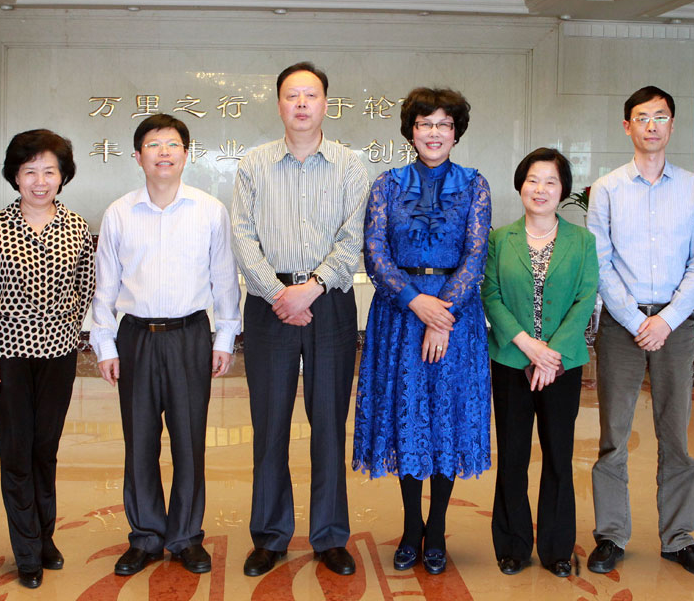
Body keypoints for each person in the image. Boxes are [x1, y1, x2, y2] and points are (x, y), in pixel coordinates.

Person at [231, 61, 369, 577]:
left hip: (329, 301)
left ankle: (330, 535)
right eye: (292, 96)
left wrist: (310, 289)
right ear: (279, 105)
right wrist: (277, 293)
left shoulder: (350, 166)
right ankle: (270, 535)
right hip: (269, 307)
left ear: (326, 104)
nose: (302, 104)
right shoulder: (253, 164)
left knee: (329, 421)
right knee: (269, 423)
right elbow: (243, 237)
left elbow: (353, 238)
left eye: (311, 95)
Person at [90, 113, 241, 577]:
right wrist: (105, 345)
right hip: (135, 337)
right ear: (138, 156)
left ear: (186, 154)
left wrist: (224, 337)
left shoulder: (209, 210)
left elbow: (224, 279)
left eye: (172, 144)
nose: (163, 153)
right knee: (139, 442)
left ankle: (186, 537)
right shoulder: (119, 213)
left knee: (189, 440)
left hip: (189, 336)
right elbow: (105, 285)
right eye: (153, 145)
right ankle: (146, 536)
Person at [352, 87, 491, 575]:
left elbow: (476, 255)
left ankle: (437, 529)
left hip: (456, 320)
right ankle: (412, 527)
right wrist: (416, 302)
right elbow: (375, 254)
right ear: (411, 131)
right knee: (407, 418)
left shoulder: (475, 185)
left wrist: (442, 314)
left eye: (444, 124)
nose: (435, 133)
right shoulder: (387, 185)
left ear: (456, 132)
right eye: (425, 124)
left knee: (445, 419)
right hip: (400, 316)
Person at [586, 86, 694, 578]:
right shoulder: (607, 189)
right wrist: (637, 320)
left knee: (675, 434)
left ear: (672, 125)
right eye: (642, 117)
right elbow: (600, 263)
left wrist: (666, 320)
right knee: (613, 435)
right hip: (622, 326)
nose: (652, 126)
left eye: (661, 117)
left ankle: (679, 538)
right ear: (627, 126)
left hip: (675, 326)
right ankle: (611, 535)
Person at [0, 129, 95, 589]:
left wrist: (64, 322)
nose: (40, 181)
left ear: (62, 176)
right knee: (17, 452)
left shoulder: (76, 226)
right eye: (30, 171)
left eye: (49, 171)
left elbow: (86, 286)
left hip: (58, 353)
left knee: (46, 449)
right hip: (7, 356)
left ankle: (44, 537)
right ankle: (26, 552)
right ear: (15, 176)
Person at [481, 148, 597, 578]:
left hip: (562, 366)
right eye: (533, 179)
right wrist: (529, 346)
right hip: (511, 360)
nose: (540, 189)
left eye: (550, 181)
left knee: (558, 455)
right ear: (520, 186)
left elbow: (586, 297)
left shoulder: (582, 241)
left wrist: (552, 353)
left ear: (563, 190)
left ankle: (557, 548)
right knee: (512, 454)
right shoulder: (499, 239)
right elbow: (490, 294)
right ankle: (512, 545)